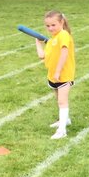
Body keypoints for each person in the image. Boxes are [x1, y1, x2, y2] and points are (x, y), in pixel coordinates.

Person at [35, 10, 75, 139]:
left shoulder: (63, 35)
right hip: (52, 76)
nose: (50, 28)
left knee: (62, 102)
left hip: (63, 75)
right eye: (48, 26)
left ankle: (62, 131)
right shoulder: (52, 40)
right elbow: (42, 56)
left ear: (61, 22)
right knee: (59, 100)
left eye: (53, 25)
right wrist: (38, 43)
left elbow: (64, 53)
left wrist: (58, 71)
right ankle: (65, 119)